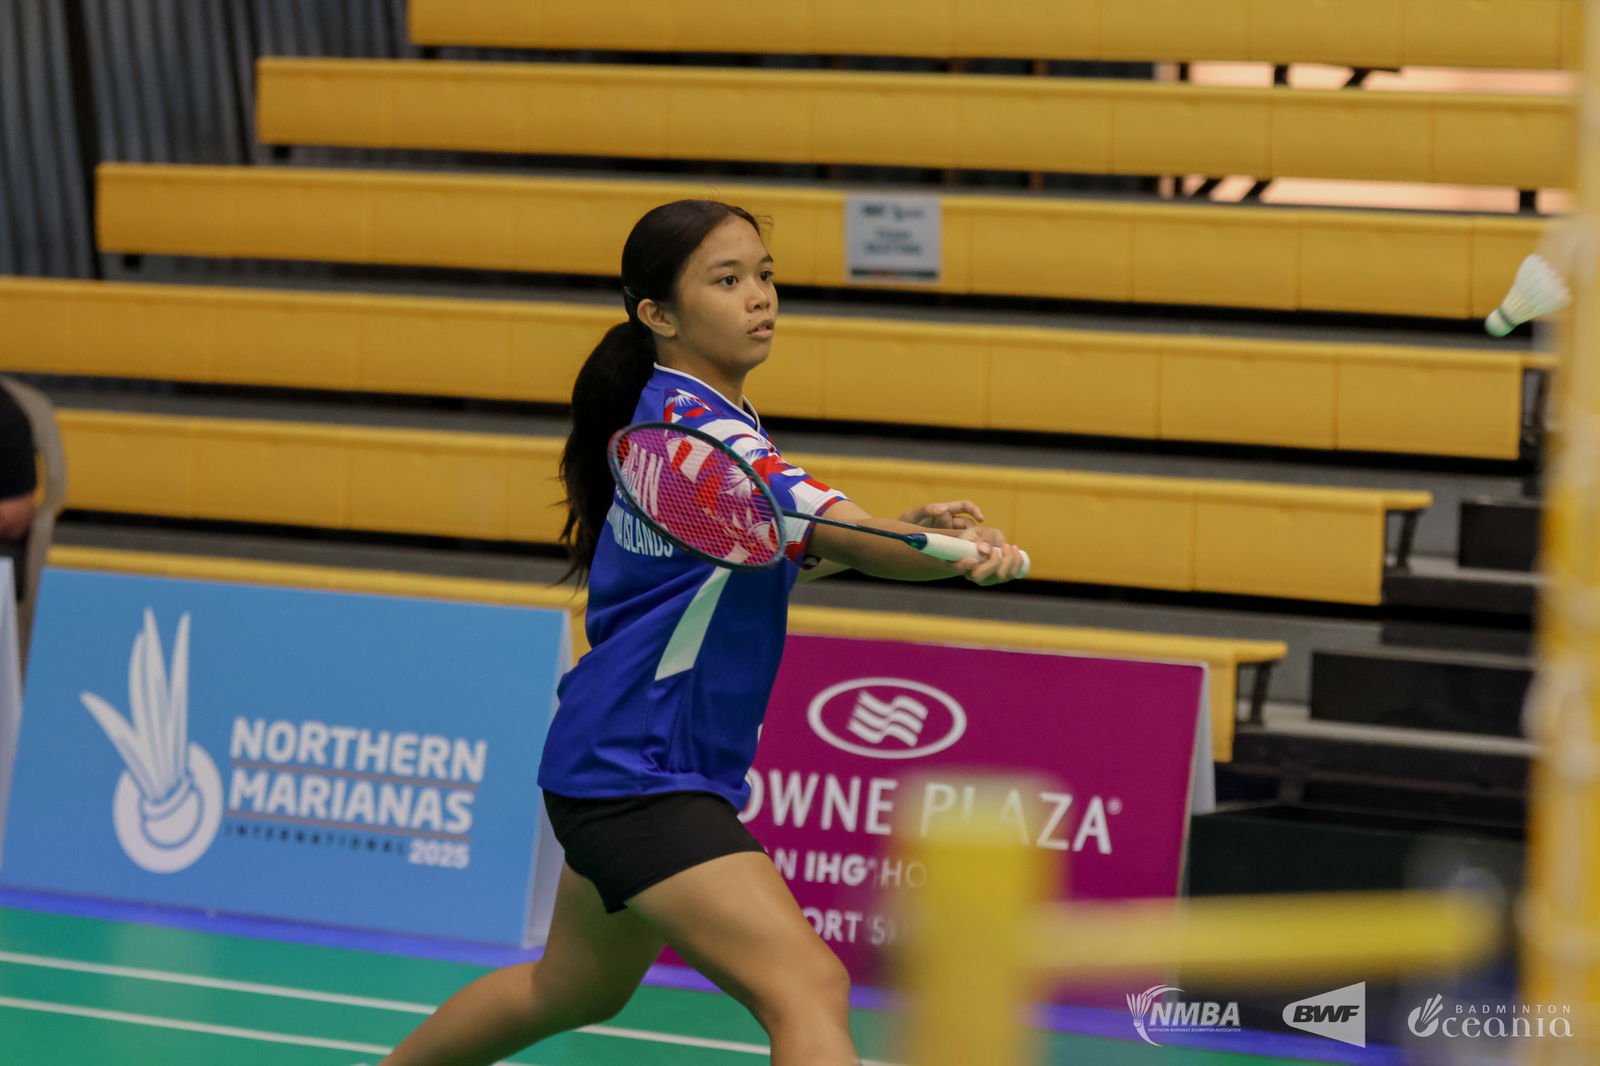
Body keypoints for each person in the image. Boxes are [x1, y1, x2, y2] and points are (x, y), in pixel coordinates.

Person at [378, 200, 1027, 1066]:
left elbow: (780, 553)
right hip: (638, 770)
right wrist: (951, 553)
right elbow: (850, 540)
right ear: (659, 315)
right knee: (808, 987)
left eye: (764, 274)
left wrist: (902, 531)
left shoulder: (681, 419)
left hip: (621, 757)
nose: (759, 296)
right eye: (726, 281)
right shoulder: (702, 434)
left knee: (572, 987)